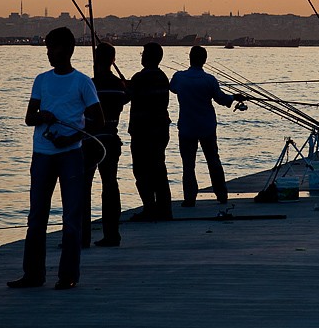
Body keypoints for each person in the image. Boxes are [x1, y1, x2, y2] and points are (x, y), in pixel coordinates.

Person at [8, 27, 104, 291]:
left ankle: (68, 275)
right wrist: (44, 116)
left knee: (72, 217)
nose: (49, 53)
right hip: (42, 155)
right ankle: (33, 275)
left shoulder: (82, 82)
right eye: (48, 48)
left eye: (52, 47)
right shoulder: (41, 80)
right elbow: (30, 117)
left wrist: (71, 139)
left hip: (71, 156)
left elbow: (99, 120)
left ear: (68, 50)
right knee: (37, 216)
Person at [169, 45, 243, 207]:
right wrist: (234, 97)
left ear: (189, 58)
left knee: (188, 165)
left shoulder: (179, 77)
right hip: (207, 127)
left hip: (187, 127)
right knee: (213, 160)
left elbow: (173, 89)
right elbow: (221, 99)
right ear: (204, 60)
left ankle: (189, 199)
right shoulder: (209, 80)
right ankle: (222, 195)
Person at [82, 42, 129, 247]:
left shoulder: (89, 85)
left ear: (96, 60)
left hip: (90, 140)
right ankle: (112, 234)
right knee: (110, 185)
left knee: (83, 188)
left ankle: (82, 236)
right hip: (111, 139)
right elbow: (126, 97)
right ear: (113, 60)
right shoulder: (120, 87)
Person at [127, 42, 173, 221]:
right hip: (160, 130)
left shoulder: (139, 78)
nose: (141, 56)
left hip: (143, 131)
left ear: (148, 57)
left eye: (143, 53)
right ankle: (164, 209)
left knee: (142, 171)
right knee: (159, 169)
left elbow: (127, 97)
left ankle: (149, 208)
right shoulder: (163, 77)